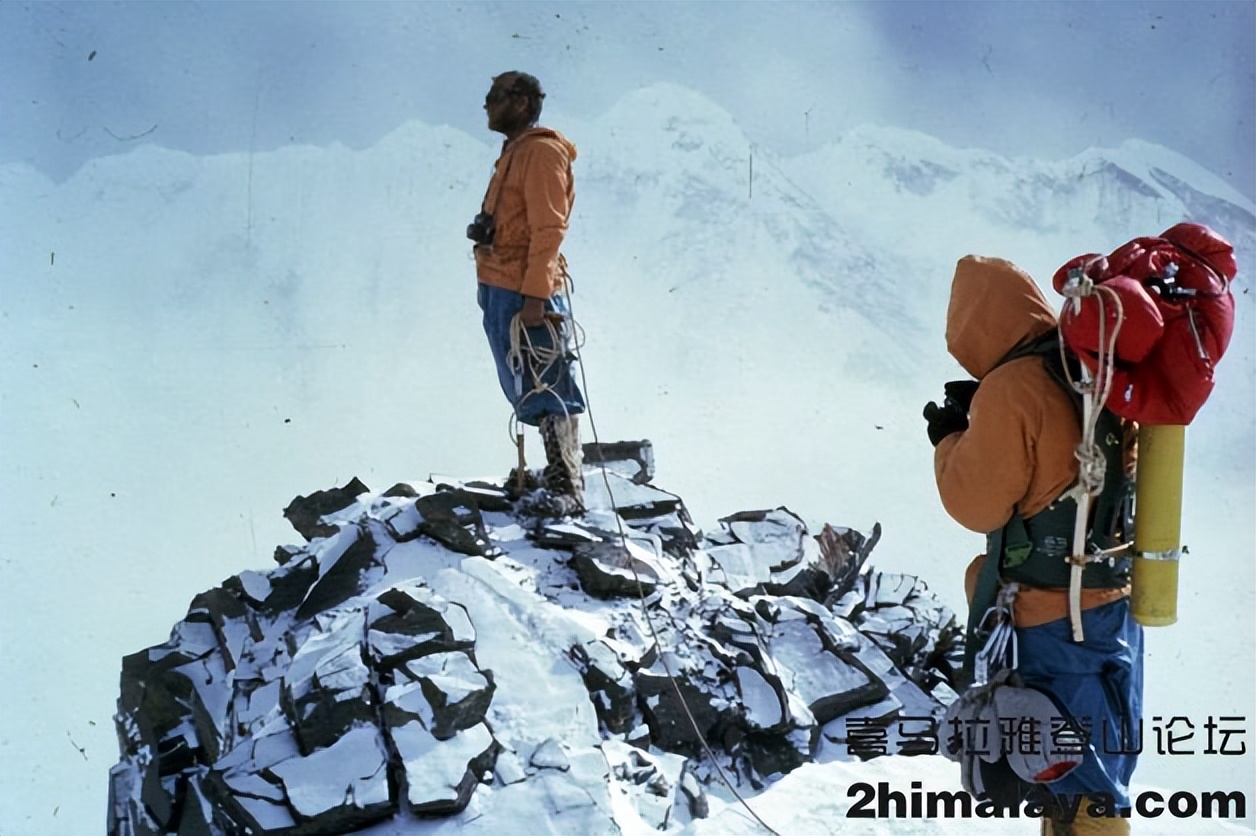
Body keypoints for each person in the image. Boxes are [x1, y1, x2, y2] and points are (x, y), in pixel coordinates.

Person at [926, 255, 1143, 836]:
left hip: (1050, 618)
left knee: (1071, 780)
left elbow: (975, 502)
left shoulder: (1012, 387)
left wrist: (949, 440)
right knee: (1094, 767)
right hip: (1113, 607)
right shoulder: (1089, 369)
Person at [470, 71, 586, 515]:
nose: (487, 105)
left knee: (546, 376)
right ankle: (554, 473)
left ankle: (567, 486)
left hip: (523, 287)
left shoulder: (539, 153)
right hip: (503, 282)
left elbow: (548, 228)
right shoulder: (517, 153)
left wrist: (536, 295)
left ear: (520, 102)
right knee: (526, 377)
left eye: (494, 97)